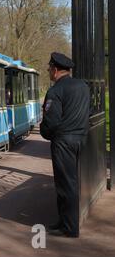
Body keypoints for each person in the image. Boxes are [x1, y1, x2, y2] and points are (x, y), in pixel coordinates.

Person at [40, 52, 90, 238]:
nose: (48, 71)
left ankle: (69, 228)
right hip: (80, 139)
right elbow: (88, 110)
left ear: (55, 69)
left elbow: (50, 121)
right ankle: (64, 221)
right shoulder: (82, 86)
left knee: (65, 184)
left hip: (63, 141)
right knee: (70, 181)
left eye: (49, 68)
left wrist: (44, 131)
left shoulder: (55, 91)